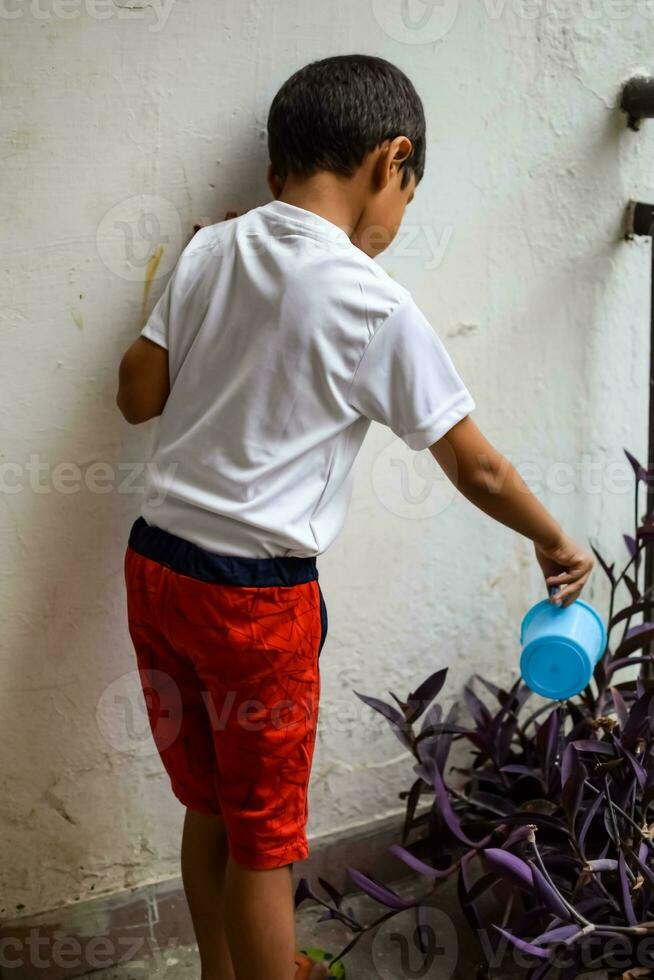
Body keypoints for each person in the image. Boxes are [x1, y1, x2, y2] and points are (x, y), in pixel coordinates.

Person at [116, 53, 594, 980]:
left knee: (209, 804)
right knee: (267, 841)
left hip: (156, 571)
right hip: (254, 605)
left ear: (272, 174)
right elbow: (480, 467)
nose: (397, 224)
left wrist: (190, 283)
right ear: (392, 162)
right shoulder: (370, 300)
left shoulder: (214, 247)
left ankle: (223, 971)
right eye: (407, 198)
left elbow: (137, 397)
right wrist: (553, 538)